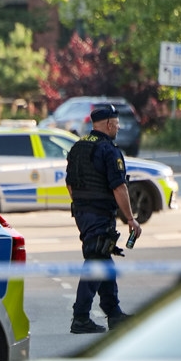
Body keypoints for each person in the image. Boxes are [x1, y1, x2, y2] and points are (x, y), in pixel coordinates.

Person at [64, 103, 142, 334]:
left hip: (82, 212)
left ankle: (114, 313)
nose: (117, 128)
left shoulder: (78, 147)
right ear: (108, 124)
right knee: (96, 262)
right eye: (116, 124)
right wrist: (130, 218)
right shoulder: (109, 150)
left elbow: (69, 183)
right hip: (99, 213)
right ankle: (80, 317)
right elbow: (119, 187)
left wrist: (81, 203)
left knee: (103, 260)